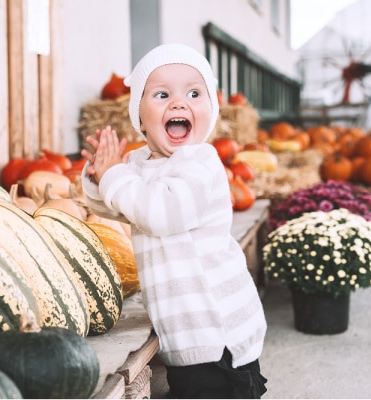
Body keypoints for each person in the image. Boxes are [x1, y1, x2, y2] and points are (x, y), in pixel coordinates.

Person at [80, 43, 267, 399]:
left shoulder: (201, 162)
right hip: (185, 331)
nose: (179, 103)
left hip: (217, 335)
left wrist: (114, 177)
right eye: (162, 94)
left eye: (194, 94)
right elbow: (117, 204)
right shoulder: (140, 164)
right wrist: (97, 177)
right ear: (140, 117)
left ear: (210, 112)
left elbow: (160, 213)